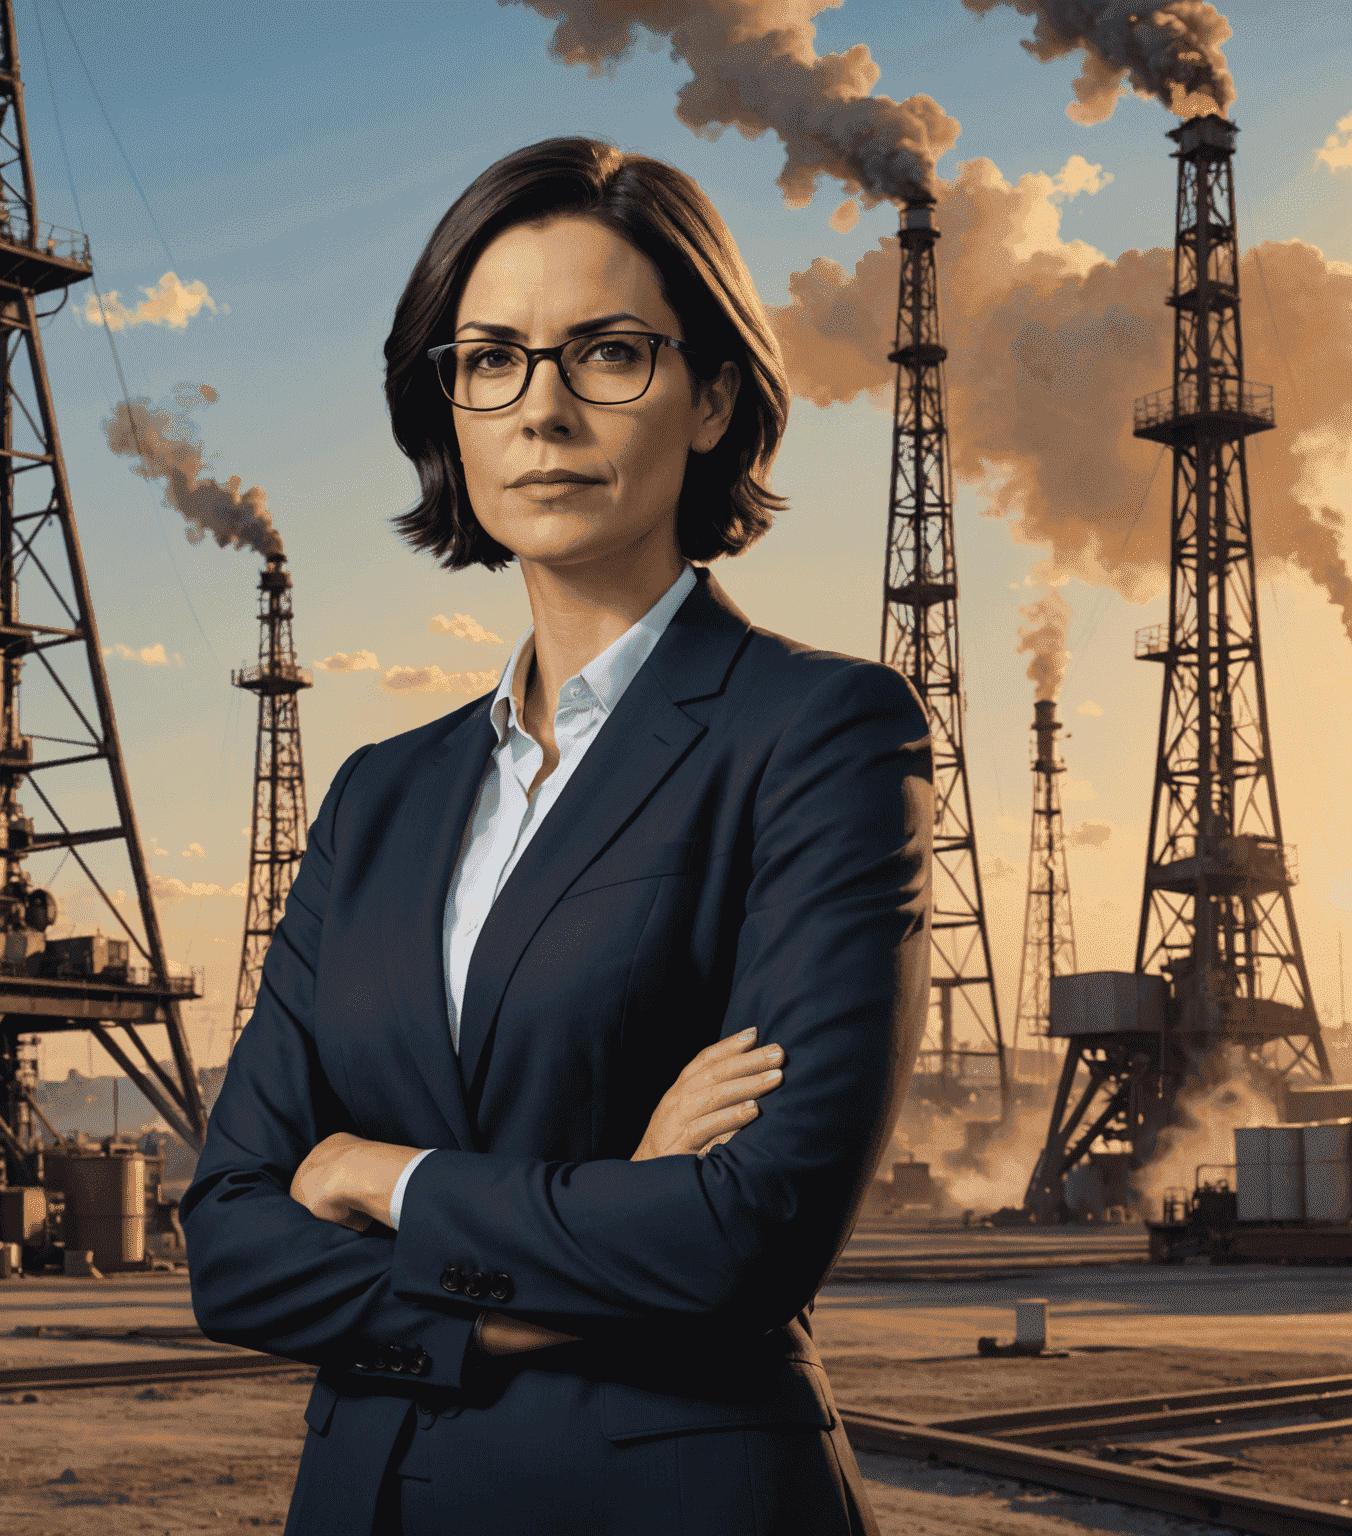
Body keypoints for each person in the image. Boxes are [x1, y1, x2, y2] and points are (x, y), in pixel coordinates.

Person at [181, 136, 932, 1536]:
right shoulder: (377, 797)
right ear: (447, 407)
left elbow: (745, 1237)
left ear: (713, 396)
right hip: (364, 1505)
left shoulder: (818, 735)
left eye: (609, 353)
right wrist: (598, 1225)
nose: (543, 410)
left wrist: (378, 1177)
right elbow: (230, 1245)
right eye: (492, 358)